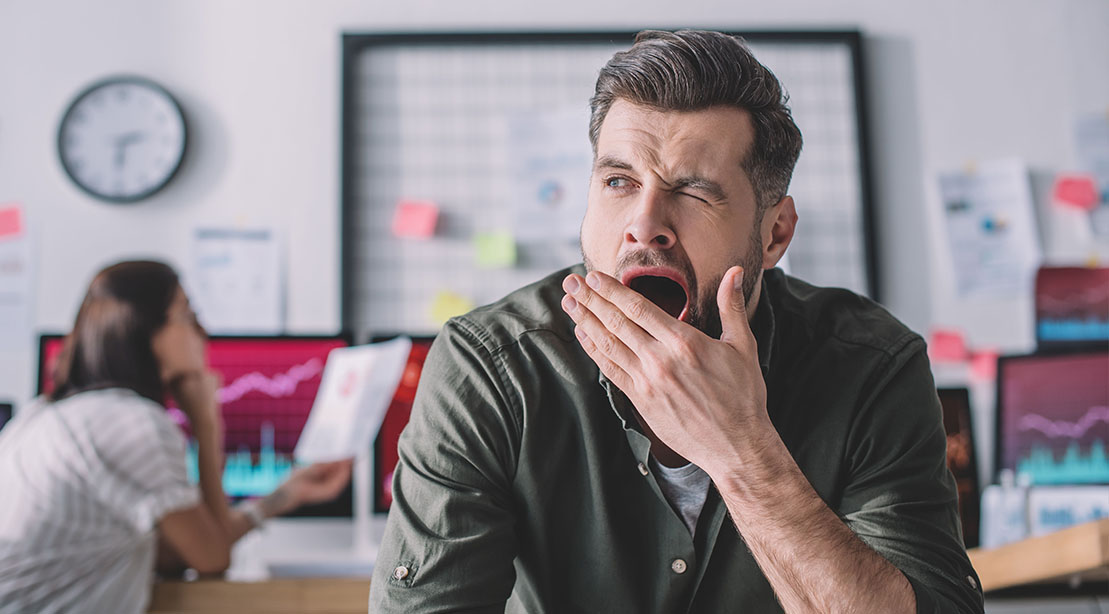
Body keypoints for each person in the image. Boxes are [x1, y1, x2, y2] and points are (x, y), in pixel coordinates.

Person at [370, 29, 985, 613]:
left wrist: (742, 449)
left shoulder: (872, 366)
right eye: (618, 181)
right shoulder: (490, 367)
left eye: (693, 192)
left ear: (775, 233)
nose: (644, 226)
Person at [0, 260, 352, 613]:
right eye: (187, 315)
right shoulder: (134, 425)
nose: (202, 331)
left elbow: (177, 553)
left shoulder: (43, 414)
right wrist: (206, 426)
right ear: (144, 332)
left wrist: (285, 496)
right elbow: (212, 557)